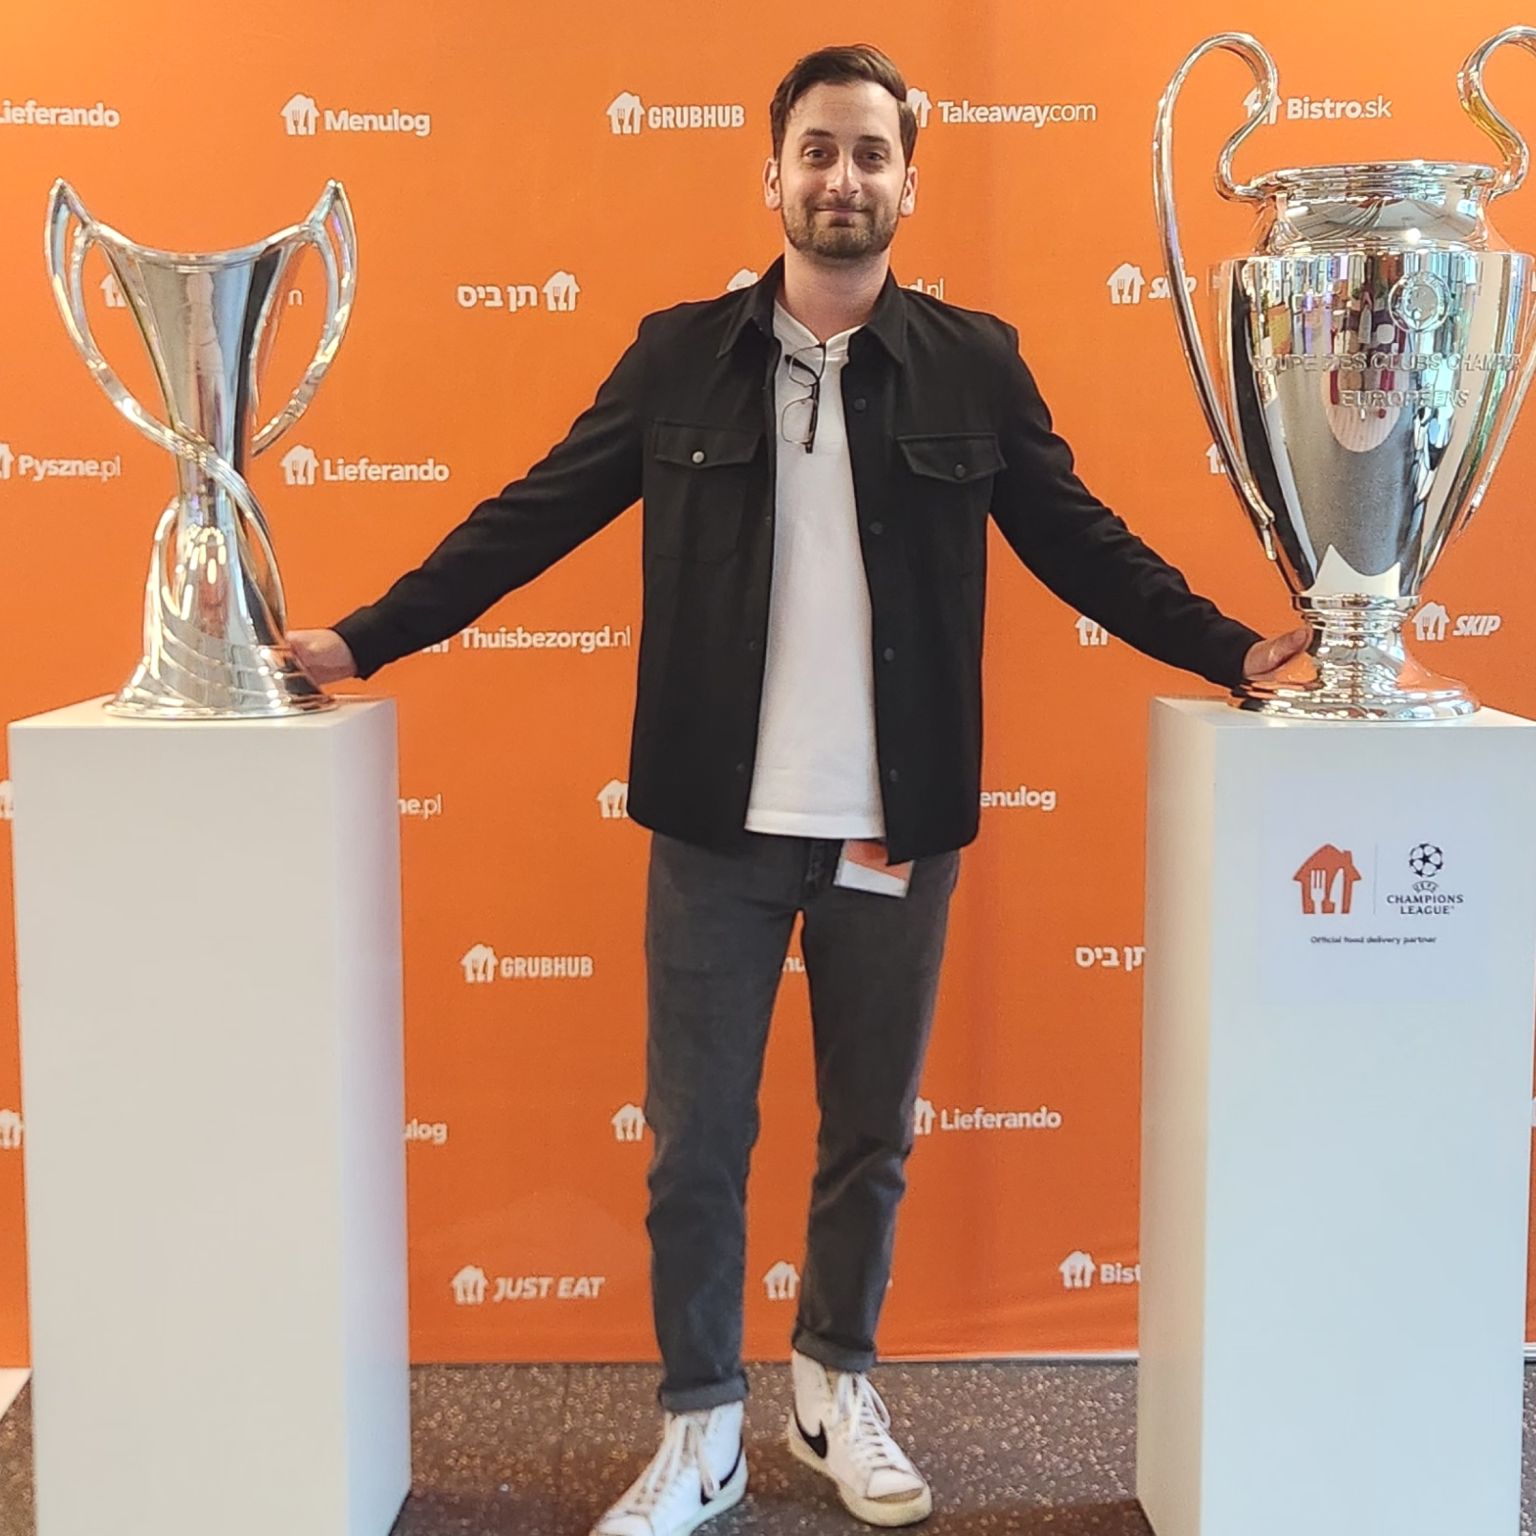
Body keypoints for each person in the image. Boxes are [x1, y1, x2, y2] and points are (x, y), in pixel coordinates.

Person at [289, 43, 1307, 1536]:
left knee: (868, 1136)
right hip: (717, 828)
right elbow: (532, 516)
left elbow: (1080, 539)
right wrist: (365, 636)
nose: (843, 178)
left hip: (895, 827)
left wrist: (1229, 649)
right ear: (772, 171)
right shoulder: (678, 357)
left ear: (908, 179)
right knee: (695, 1145)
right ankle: (701, 1426)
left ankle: (834, 1391)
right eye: (818, 150)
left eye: (870, 153)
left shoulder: (975, 363)